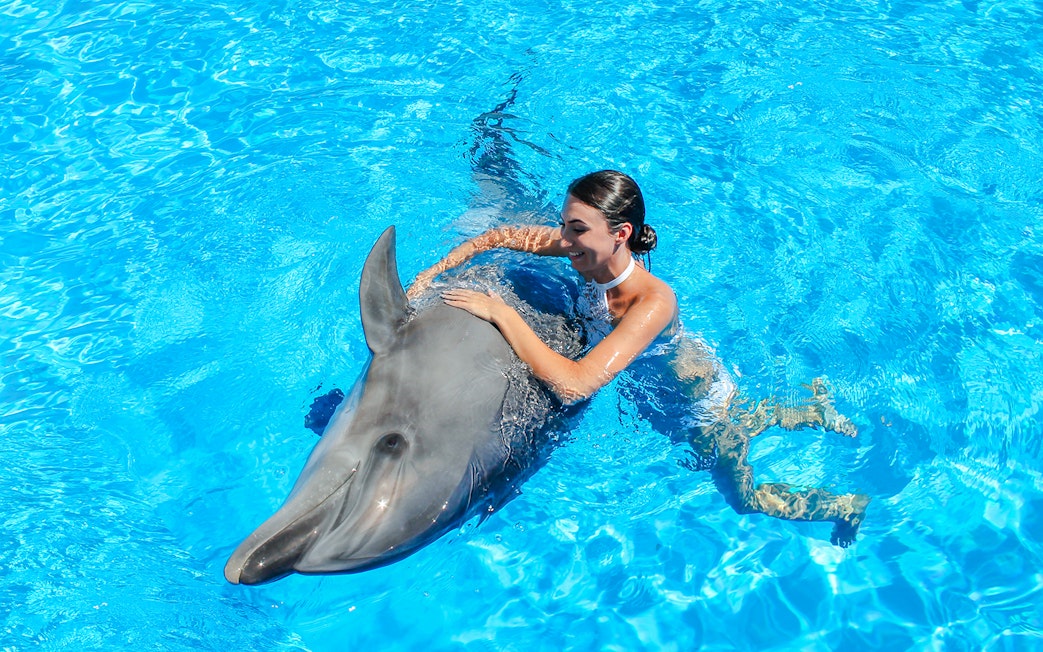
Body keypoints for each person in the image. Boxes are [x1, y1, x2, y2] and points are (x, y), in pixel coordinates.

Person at [406, 170, 870, 545]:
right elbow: (500, 236)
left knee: (742, 499)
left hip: (698, 407)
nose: (563, 239)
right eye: (564, 225)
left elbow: (575, 385)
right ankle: (814, 410)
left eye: (577, 229)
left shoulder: (652, 303)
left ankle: (846, 505)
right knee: (748, 420)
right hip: (656, 395)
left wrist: (502, 314)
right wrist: (433, 273)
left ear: (620, 233)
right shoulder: (585, 250)